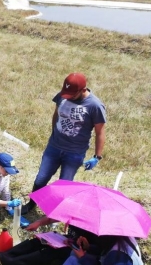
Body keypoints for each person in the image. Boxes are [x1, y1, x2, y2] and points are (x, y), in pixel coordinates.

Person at [22, 73, 107, 214]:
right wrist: (54, 133)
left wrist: (97, 156)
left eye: (72, 95)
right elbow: (56, 114)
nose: (68, 97)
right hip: (54, 147)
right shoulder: (63, 95)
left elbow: (100, 132)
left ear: (83, 90)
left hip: (74, 153)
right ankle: (32, 204)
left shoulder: (95, 106)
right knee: (40, 178)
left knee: (64, 186)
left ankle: (55, 214)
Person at [0, 216, 100, 265]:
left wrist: (87, 247)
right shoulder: (76, 211)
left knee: (49, 251)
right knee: (39, 240)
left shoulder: (96, 227)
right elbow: (54, 217)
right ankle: (6, 254)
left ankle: (13, 262)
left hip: (78, 251)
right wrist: (39, 223)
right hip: (68, 240)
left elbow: (98, 252)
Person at [63, 235, 143, 265]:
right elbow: (104, 252)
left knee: (72, 260)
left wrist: (83, 258)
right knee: (73, 255)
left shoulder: (117, 257)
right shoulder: (123, 237)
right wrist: (88, 247)